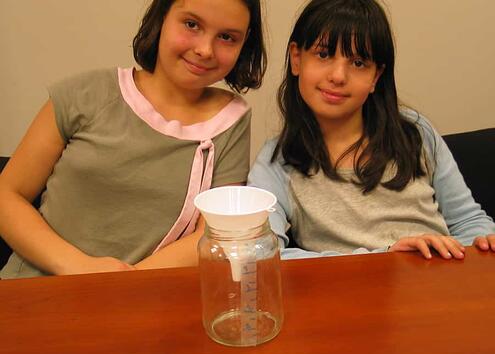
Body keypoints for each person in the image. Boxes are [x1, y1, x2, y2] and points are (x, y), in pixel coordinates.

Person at [0, 0, 266, 279]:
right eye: (191, 24)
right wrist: (76, 266)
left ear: (244, 42)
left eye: (226, 37)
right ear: (162, 16)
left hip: (144, 300)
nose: (204, 49)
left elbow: (213, 234)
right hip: (32, 289)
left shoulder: (232, 120)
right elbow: (7, 194)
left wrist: (121, 283)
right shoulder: (84, 94)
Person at [248, 0, 495, 260]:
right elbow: (263, 254)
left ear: (376, 76)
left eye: (358, 63)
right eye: (323, 55)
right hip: (352, 294)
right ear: (297, 58)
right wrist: (385, 257)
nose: (338, 76)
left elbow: (469, 222)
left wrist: (484, 240)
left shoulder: (415, 132)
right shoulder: (278, 160)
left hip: (439, 286)